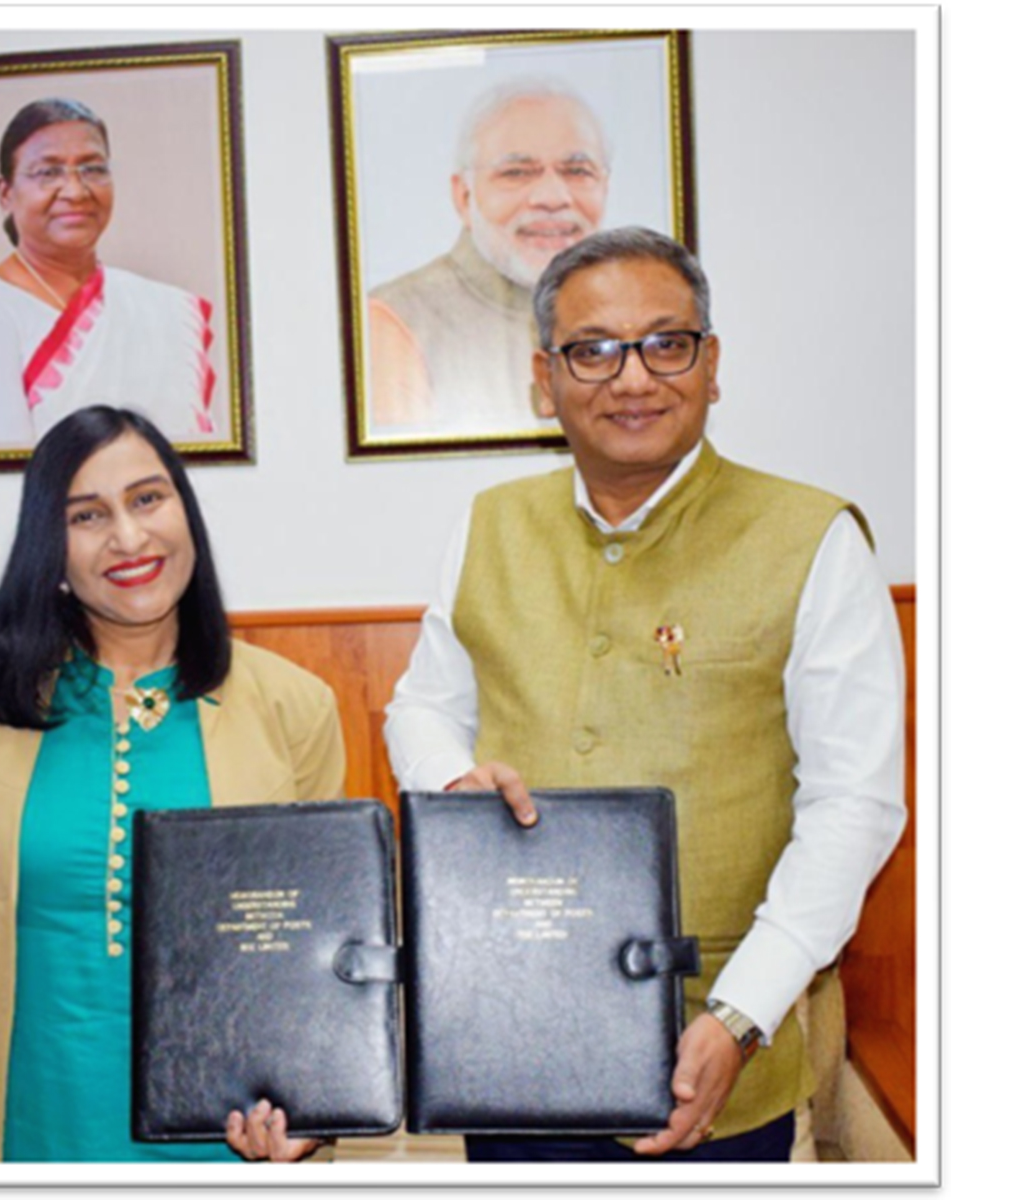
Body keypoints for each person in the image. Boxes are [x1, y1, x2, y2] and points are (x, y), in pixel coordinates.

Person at [384, 227, 906, 1163]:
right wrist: (453, 782)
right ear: (544, 380)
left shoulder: (814, 538)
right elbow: (421, 707)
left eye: (667, 343)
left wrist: (740, 1018)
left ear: (712, 366)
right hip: (510, 1042)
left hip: (714, 1063)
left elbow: (853, 809)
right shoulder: (488, 525)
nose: (634, 378)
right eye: (594, 350)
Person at [0, 406, 338, 1163]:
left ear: (187, 515)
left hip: (229, 1145)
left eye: (149, 499)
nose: (128, 537)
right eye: (87, 515)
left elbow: (317, 937)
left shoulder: (293, 705)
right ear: (49, 548)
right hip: (37, 1129)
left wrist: (317, 1103)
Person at [0, 99, 219, 449]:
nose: (75, 191)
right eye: (48, 172)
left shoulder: (162, 308)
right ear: (5, 193)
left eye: (92, 169)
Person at [366, 79, 611, 434]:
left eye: (577, 171)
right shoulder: (397, 319)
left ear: (605, 187)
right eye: (517, 173)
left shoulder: (634, 313)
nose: (552, 196)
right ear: (464, 197)